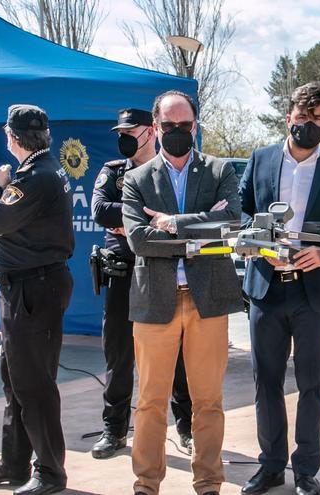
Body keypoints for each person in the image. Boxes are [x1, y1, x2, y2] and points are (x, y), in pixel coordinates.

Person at [121, 90, 242, 495]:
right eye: (169, 126)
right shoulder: (136, 179)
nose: (177, 132)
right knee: (151, 401)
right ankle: (146, 483)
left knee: (208, 400)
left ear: (196, 126)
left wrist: (172, 223)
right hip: (156, 302)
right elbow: (138, 239)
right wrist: (198, 231)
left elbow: (230, 221)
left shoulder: (219, 170)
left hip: (207, 299)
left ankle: (208, 482)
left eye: (184, 125)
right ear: (155, 129)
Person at [238, 82, 320, 495]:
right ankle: (270, 466)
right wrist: (257, 245)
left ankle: (306, 469)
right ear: (288, 118)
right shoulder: (262, 158)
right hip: (267, 289)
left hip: (314, 293)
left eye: (317, 120)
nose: (308, 126)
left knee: (311, 383)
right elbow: (243, 211)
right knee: (265, 381)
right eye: (302, 119)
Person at [0, 104, 74, 495]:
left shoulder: (35, 177)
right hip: (25, 287)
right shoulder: (39, 171)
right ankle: (14, 462)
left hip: (34, 288)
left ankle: (50, 472)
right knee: (15, 380)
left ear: (12, 138)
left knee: (34, 385)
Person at [90, 107, 193, 459]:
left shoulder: (170, 171)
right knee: (118, 355)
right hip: (121, 274)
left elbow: (177, 216)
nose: (124, 138)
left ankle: (187, 426)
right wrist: (142, 219)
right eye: (120, 132)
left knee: (177, 354)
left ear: (150, 132)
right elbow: (100, 210)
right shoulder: (113, 171)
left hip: (161, 272)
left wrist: (134, 223)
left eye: (130, 132)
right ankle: (114, 429)